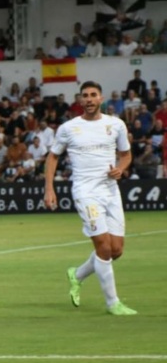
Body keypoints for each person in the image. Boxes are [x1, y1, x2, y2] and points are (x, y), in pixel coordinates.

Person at [44, 81, 136, 316]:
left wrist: (121, 168)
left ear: (101, 98)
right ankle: (112, 303)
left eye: (93, 95)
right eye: (85, 95)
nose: (89, 99)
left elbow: (126, 155)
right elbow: (52, 157)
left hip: (111, 191)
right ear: (80, 100)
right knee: (103, 247)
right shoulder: (68, 128)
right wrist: (49, 188)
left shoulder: (115, 125)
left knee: (116, 250)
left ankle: (77, 274)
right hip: (86, 192)